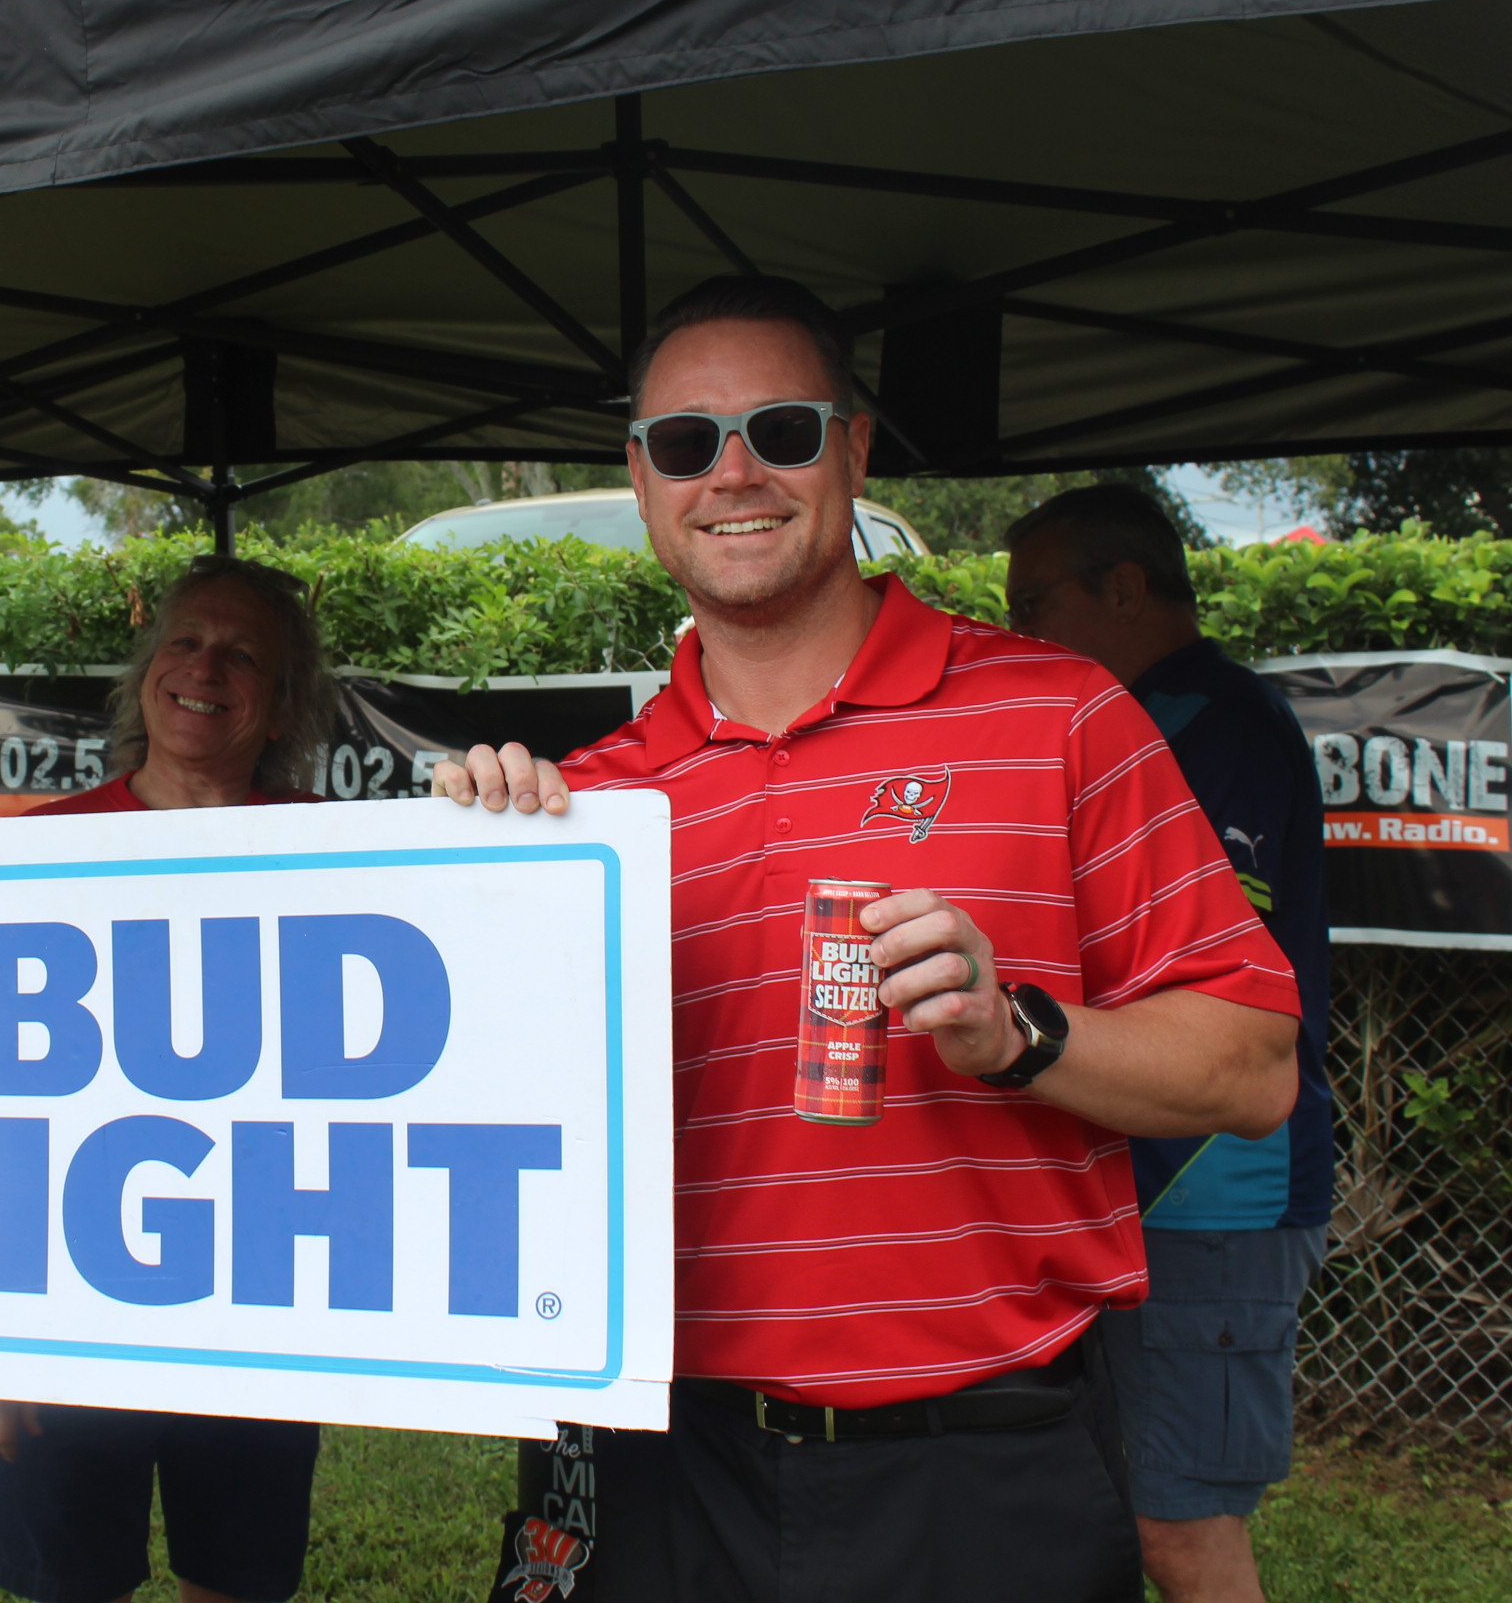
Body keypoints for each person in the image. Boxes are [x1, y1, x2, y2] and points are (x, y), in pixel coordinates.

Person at [440, 274, 1302, 1603]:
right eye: (685, 443)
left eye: (781, 429)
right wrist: (467, 890)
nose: (733, 472)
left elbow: (1253, 1068)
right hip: (668, 1465)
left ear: (853, 446)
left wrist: (1018, 1033)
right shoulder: (595, 804)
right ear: (641, 477)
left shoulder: (1059, 715)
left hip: (976, 1479)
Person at [0, 554, 337, 1603]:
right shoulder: (34, 852)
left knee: (239, 1581)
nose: (205, 668)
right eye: (185, 640)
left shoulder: (343, 853)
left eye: (243, 653)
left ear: (282, 699)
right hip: (72, 1306)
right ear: (144, 671)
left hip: (263, 1301)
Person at [1005, 485, 1333, 1603]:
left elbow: (1200, 956)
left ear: (1127, 587)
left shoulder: (1215, 723)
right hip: (1120, 1178)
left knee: (1181, 1533)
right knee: (1097, 1508)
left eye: (1036, 603)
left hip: (1210, 1191)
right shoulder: (1131, 717)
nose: (1020, 634)